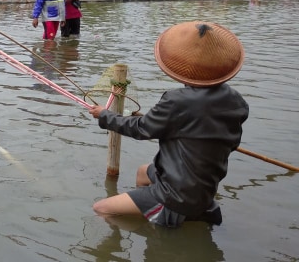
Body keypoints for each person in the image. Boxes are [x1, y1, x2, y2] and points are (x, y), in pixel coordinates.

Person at [88, 21, 249, 228]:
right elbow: (226, 140)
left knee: (101, 209)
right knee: (142, 172)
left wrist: (104, 115)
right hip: (203, 185)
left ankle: (156, 223)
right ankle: (148, 211)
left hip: (177, 194)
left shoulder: (177, 100)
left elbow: (141, 128)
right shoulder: (236, 101)